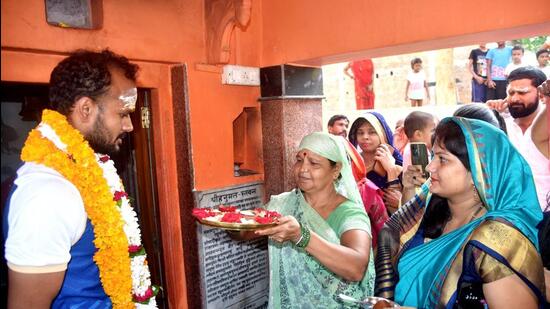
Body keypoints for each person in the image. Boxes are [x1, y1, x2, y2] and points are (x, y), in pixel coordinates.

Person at [2, 50, 158, 308]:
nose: (130, 126)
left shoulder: (89, 169)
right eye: (122, 114)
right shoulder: (47, 195)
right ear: (86, 109)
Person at [375, 118, 545, 308]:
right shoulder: (429, 208)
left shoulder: (498, 241)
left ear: (479, 173)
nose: (431, 167)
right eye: (433, 156)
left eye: (443, 159)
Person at [237, 132, 375, 308]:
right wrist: (226, 220)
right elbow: (243, 233)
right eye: (299, 160)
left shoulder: (350, 214)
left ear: (336, 170)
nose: (303, 169)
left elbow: (355, 268)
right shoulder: (283, 205)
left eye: (314, 163)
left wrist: (301, 235)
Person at [486, 66, 549, 211]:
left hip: (545, 214)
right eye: (511, 92)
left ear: (540, 94)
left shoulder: (546, 129)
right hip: (507, 214)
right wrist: (487, 114)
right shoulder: (500, 126)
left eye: (522, 92)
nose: (514, 98)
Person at [349, 112, 403, 214]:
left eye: (372, 132)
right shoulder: (351, 162)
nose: (365, 137)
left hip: (391, 224)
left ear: (382, 134)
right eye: (360, 133)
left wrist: (391, 169)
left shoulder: (396, 161)